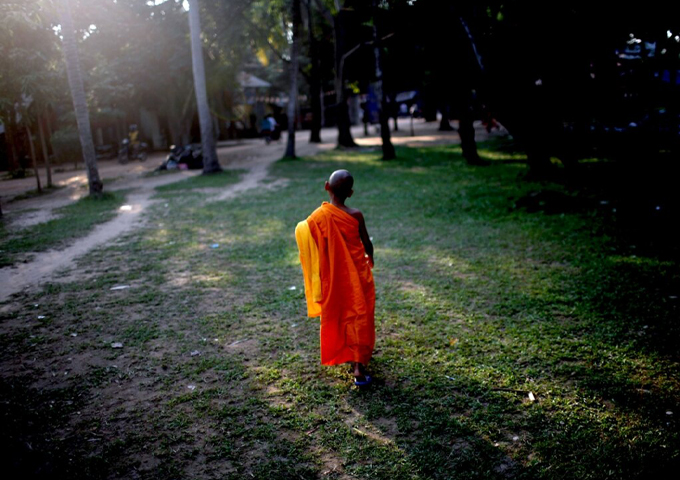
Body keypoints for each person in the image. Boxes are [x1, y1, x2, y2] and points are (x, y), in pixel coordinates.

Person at [295, 170, 375, 387]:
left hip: (333, 276)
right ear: (350, 192)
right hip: (358, 273)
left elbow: (307, 237)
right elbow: (367, 243)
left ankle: (347, 353)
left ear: (326, 187)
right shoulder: (356, 215)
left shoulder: (316, 218)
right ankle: (359, 365)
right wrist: (371, 258)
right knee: (359, 313)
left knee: (341, 313)